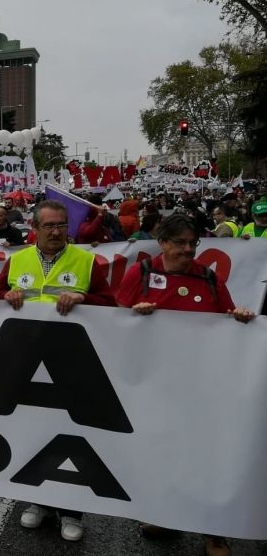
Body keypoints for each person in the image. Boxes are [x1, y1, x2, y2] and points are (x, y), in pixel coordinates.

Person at [117, 213, 254, 556]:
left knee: (208, 458)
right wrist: (135, 313)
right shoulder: (142, 273)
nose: (187, 249)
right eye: (180, 243)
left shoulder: (208, 277)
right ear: (162, 243)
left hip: (204, 387)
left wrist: (239, 319)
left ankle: (215, 532)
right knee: (165, 454)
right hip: (157, 387)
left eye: (193, 243)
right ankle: (168, 516)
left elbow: (228, 319)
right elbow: (114, 322)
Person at [0, 199, 116, 542]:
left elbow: (112, 304)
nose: (57, 231)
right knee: (32, 432)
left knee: (72, 435)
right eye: (49, 226)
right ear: (35, 228)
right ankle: (37, 501)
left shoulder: (87, 261)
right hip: (26, 361)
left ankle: (72, 510)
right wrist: (7, 294)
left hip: (72, 362)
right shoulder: (18, 260)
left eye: (62, 225)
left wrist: (83, 299)